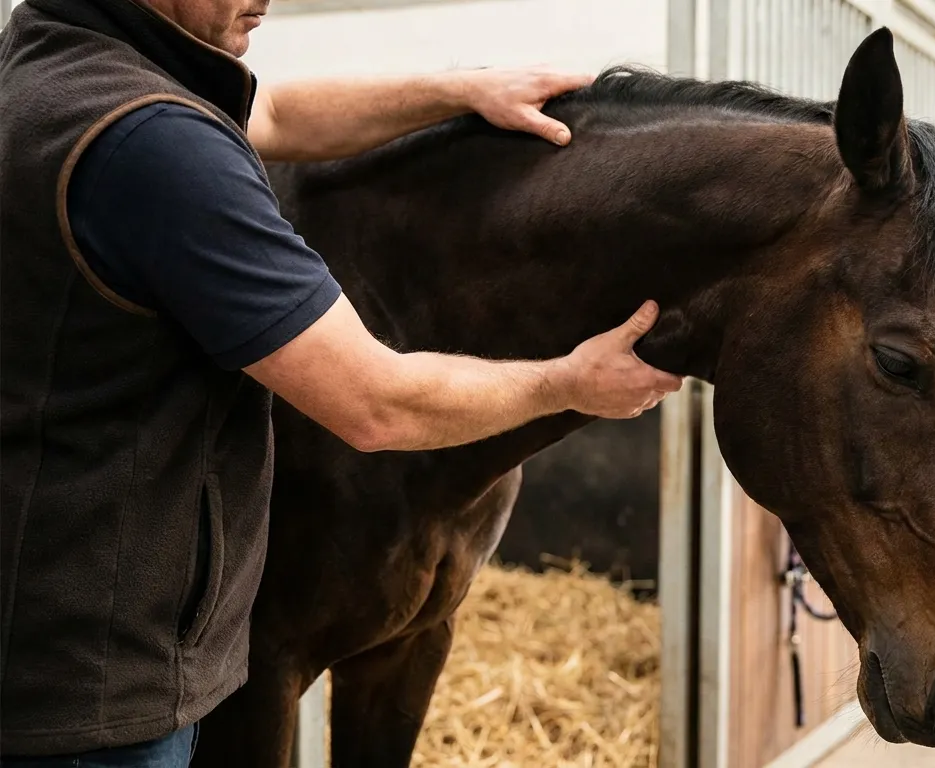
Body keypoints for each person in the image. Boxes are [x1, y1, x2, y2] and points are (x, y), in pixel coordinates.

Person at [0, 0, 683, 763]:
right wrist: (568, 383)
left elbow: (280, 113)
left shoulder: (49, 68)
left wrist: (461, 91)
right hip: (94, 693)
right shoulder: (154, 144)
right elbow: (375, 405)